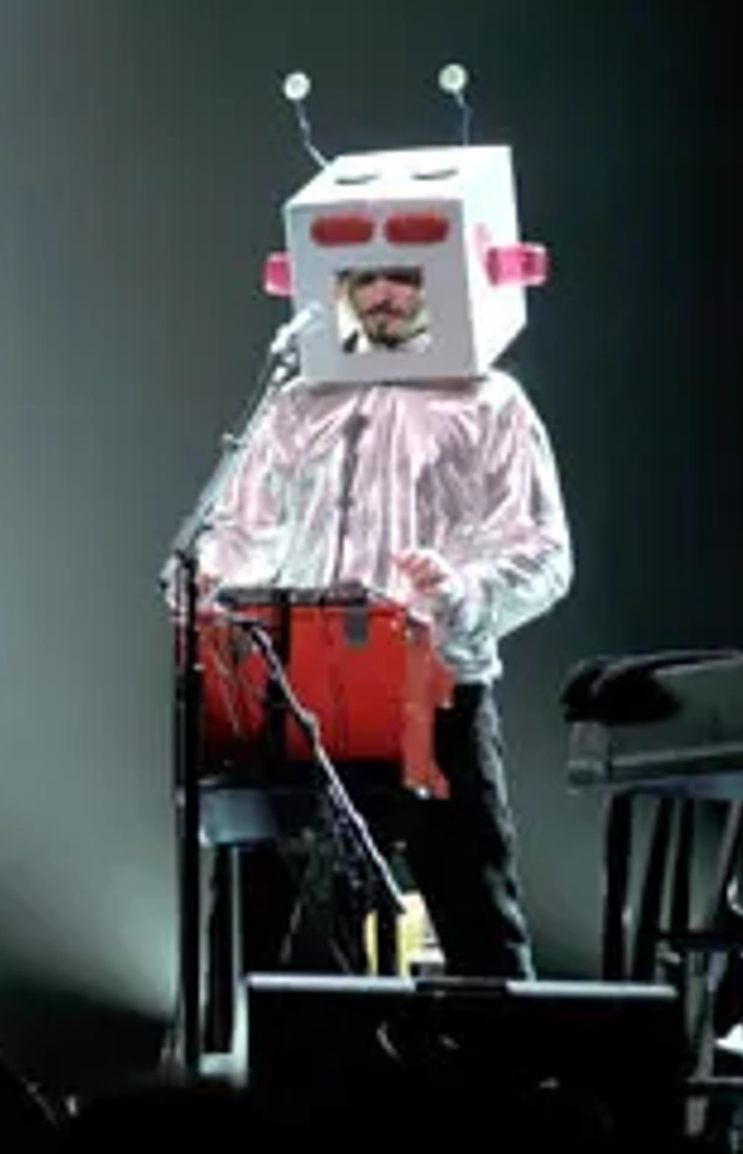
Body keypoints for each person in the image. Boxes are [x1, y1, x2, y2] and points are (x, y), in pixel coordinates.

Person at [179, 262, 573, 981]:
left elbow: (544, 550)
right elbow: (246, 526)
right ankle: (231, 1075)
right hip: (302, 689)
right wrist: (215, 572)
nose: (384, 294)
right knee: (251, 917)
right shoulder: (297, 404)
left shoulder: (491, 403)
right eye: (365, 279)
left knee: (475, 909)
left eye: (404, 275)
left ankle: (512, 1081)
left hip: (436, 685)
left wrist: (464, 589)